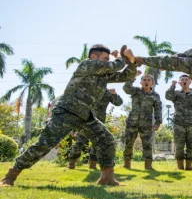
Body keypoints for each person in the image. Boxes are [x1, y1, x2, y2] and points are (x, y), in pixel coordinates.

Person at [0, 44, 136, 187]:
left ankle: (107, 178)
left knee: (106, 139)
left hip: (84, 115)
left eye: (109, 59)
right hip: (66, 112)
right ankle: (10, 175)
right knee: (44, 144)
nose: (108, 61)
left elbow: (127, 75)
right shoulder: (87, 65)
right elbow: (116, 65)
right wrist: (120, 57)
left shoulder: (103, 74)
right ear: (94, 57)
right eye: (105, 58)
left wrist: (132, 61)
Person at [68, 88, 123, 170]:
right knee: (79, 142)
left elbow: (119, 103)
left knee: (97, 144)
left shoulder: (107, 93)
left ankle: (92, 165)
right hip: (85, 121)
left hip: (99, 123)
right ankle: (71, 163)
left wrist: (114, 94)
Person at [122, 74, 162, 170]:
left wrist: (157, 122)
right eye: (144, 80)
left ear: (152, 83)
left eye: (148, 80)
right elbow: (126, 88)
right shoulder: (135, 91)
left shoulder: (155, 96)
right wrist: (133, 76)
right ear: (141, 82)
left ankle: (148, 166)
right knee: (128, 142)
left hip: (147, 124)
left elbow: (158, 110)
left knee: (147, 144)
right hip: (132, 122)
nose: (146, 81)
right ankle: (126, 164)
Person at [165, 75, 192, 170]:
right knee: (179, 146)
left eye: (186, 79)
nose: (184, 81)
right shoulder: (176, 94)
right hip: (179, 124)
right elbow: (168, 96)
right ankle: (180, 166)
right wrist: (172, 86)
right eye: (182, 80)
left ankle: (189, 166)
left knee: (191, 145)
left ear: (190, 82)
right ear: (180, 83)